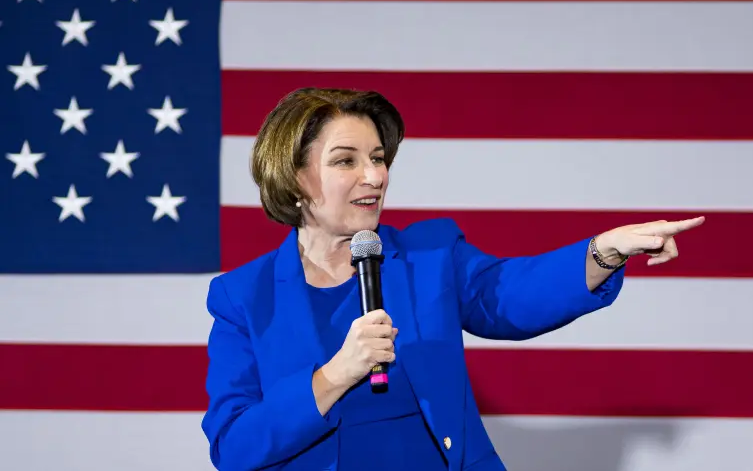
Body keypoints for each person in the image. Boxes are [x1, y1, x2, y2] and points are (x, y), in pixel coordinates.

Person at [201, 87, 706, 471]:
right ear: (293, 179)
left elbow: (507, 295)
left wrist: (603, 251)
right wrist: (335, 374)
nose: (375, 176)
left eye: (378, 158)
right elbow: (234, 444)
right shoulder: (242, 298)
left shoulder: (429, 257)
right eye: (346, 161)